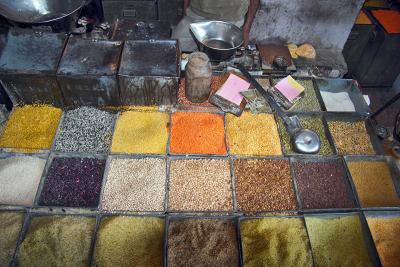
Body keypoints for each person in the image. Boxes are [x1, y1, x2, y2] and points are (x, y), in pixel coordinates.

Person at [172, 0, 260, 52]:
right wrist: (185, 11)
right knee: (173, 51)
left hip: (231, 19)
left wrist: (246, 29)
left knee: (229, 65)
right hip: (196, 14)